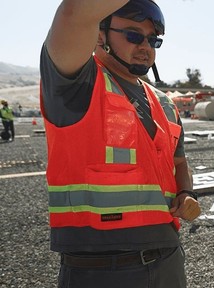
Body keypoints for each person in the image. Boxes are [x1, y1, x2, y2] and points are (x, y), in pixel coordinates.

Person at [40, 1, 201, 287]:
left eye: (153, 40)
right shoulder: (77, 83)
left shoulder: (164, 103)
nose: (145, 46)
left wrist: (186, 193)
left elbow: (178, 162)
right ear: (100, 35)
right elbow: (73, 14)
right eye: (133, 35)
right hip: (100, 271)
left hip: (169, 261)